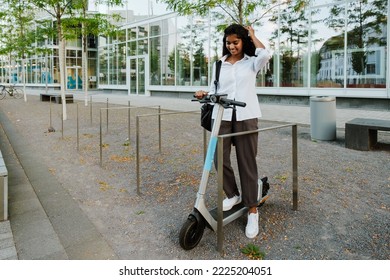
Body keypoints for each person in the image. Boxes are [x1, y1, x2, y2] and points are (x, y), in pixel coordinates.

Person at [194, 24, 270, 238]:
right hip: (223, 116)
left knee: (247, 161)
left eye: (236, 42)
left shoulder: (252, 62)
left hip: (246, 117)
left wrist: (253, 35)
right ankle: (233, 194)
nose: (232, 46)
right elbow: (214, 89)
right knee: (219, 157)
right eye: (228, 42)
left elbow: (265, 53)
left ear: (243, 42)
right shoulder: (219, 64)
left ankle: (252, 209)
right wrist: (204, 93)